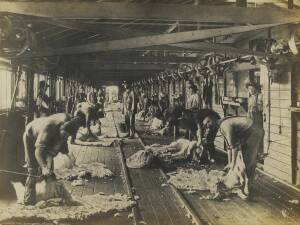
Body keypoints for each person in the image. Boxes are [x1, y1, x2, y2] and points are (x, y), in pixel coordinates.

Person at [22, 113, 84, 205]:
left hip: (52, 134)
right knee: (33, 170)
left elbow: (61, 140)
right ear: (62, 127)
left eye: (68, 136)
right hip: (31, 136)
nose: (66, 137)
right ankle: (28, 200)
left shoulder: (68, 122)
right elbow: (38, 152)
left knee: (50, 171)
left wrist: (68, 154)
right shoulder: (48, 128)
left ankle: (53, 194)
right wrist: (43, 167)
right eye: (65, 135)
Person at [219, 116, 264, 198]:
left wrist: (232, 163)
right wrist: (229, 163)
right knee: (243, 160)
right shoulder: (223, 128)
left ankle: (247, 186)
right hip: (248, 132)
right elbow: (229, 147)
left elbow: (234, 147)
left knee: (249, 160)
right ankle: (246, 183)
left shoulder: (225, 126)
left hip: (254, 131)